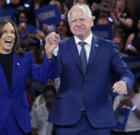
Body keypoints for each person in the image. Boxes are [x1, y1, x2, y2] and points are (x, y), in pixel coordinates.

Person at [45, 3, 134, 135]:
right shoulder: (61, 47)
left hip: (99, 120)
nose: (78, 23)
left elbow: (127, 74)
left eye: (82, 19)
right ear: (69, 24)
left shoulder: (107, 47)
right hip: (67, 120)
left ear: (92, 21)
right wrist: (49, 55)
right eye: (74, 20)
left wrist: (124, 83)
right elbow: (51, 74)